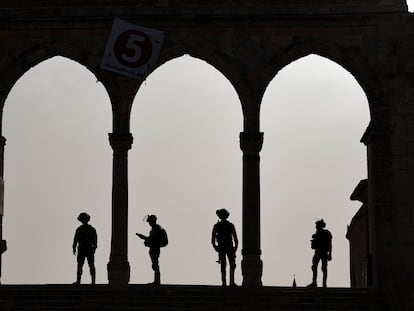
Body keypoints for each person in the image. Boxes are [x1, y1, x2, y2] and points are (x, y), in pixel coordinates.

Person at [136, 214, 168, 285]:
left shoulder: (156, 229)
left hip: (155, 249)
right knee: (155, 264)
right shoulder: (155, 229)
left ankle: (157, 281)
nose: (149, 223)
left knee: (155, 264)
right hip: (154, 248)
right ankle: (156, 280)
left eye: (149, 222)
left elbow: (152, 239)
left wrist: (143, 237)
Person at [211, 209, 238, 287]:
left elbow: (212, 240)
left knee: (225, 265)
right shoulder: (229, 225)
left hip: (224, 247)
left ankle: (225, 282)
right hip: (227, 247)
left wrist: (215, 247)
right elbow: (235, 239)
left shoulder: (218, 226)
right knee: (230, 265)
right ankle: (230, 282)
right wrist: (235, 248)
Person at [72, 212, 97, 285]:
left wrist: (74, 247)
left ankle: (92, 281)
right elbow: (75, 239)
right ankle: (84, 281)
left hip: (87, 249)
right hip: (84, 249)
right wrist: (74, 246)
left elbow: (95, 242)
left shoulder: (90, 229)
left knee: (89, 265)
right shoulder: (81, 229)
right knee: (82, 265)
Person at [307, 219, 332, 288]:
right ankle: (315, 282)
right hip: (319, 252)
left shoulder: (326, 233)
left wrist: (330, 254)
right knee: (315, 267)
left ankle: (323, 283)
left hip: (322, 252)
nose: (316, 227)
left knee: (323, 268)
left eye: (316, 225)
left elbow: (330, 244)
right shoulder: (318, 233)